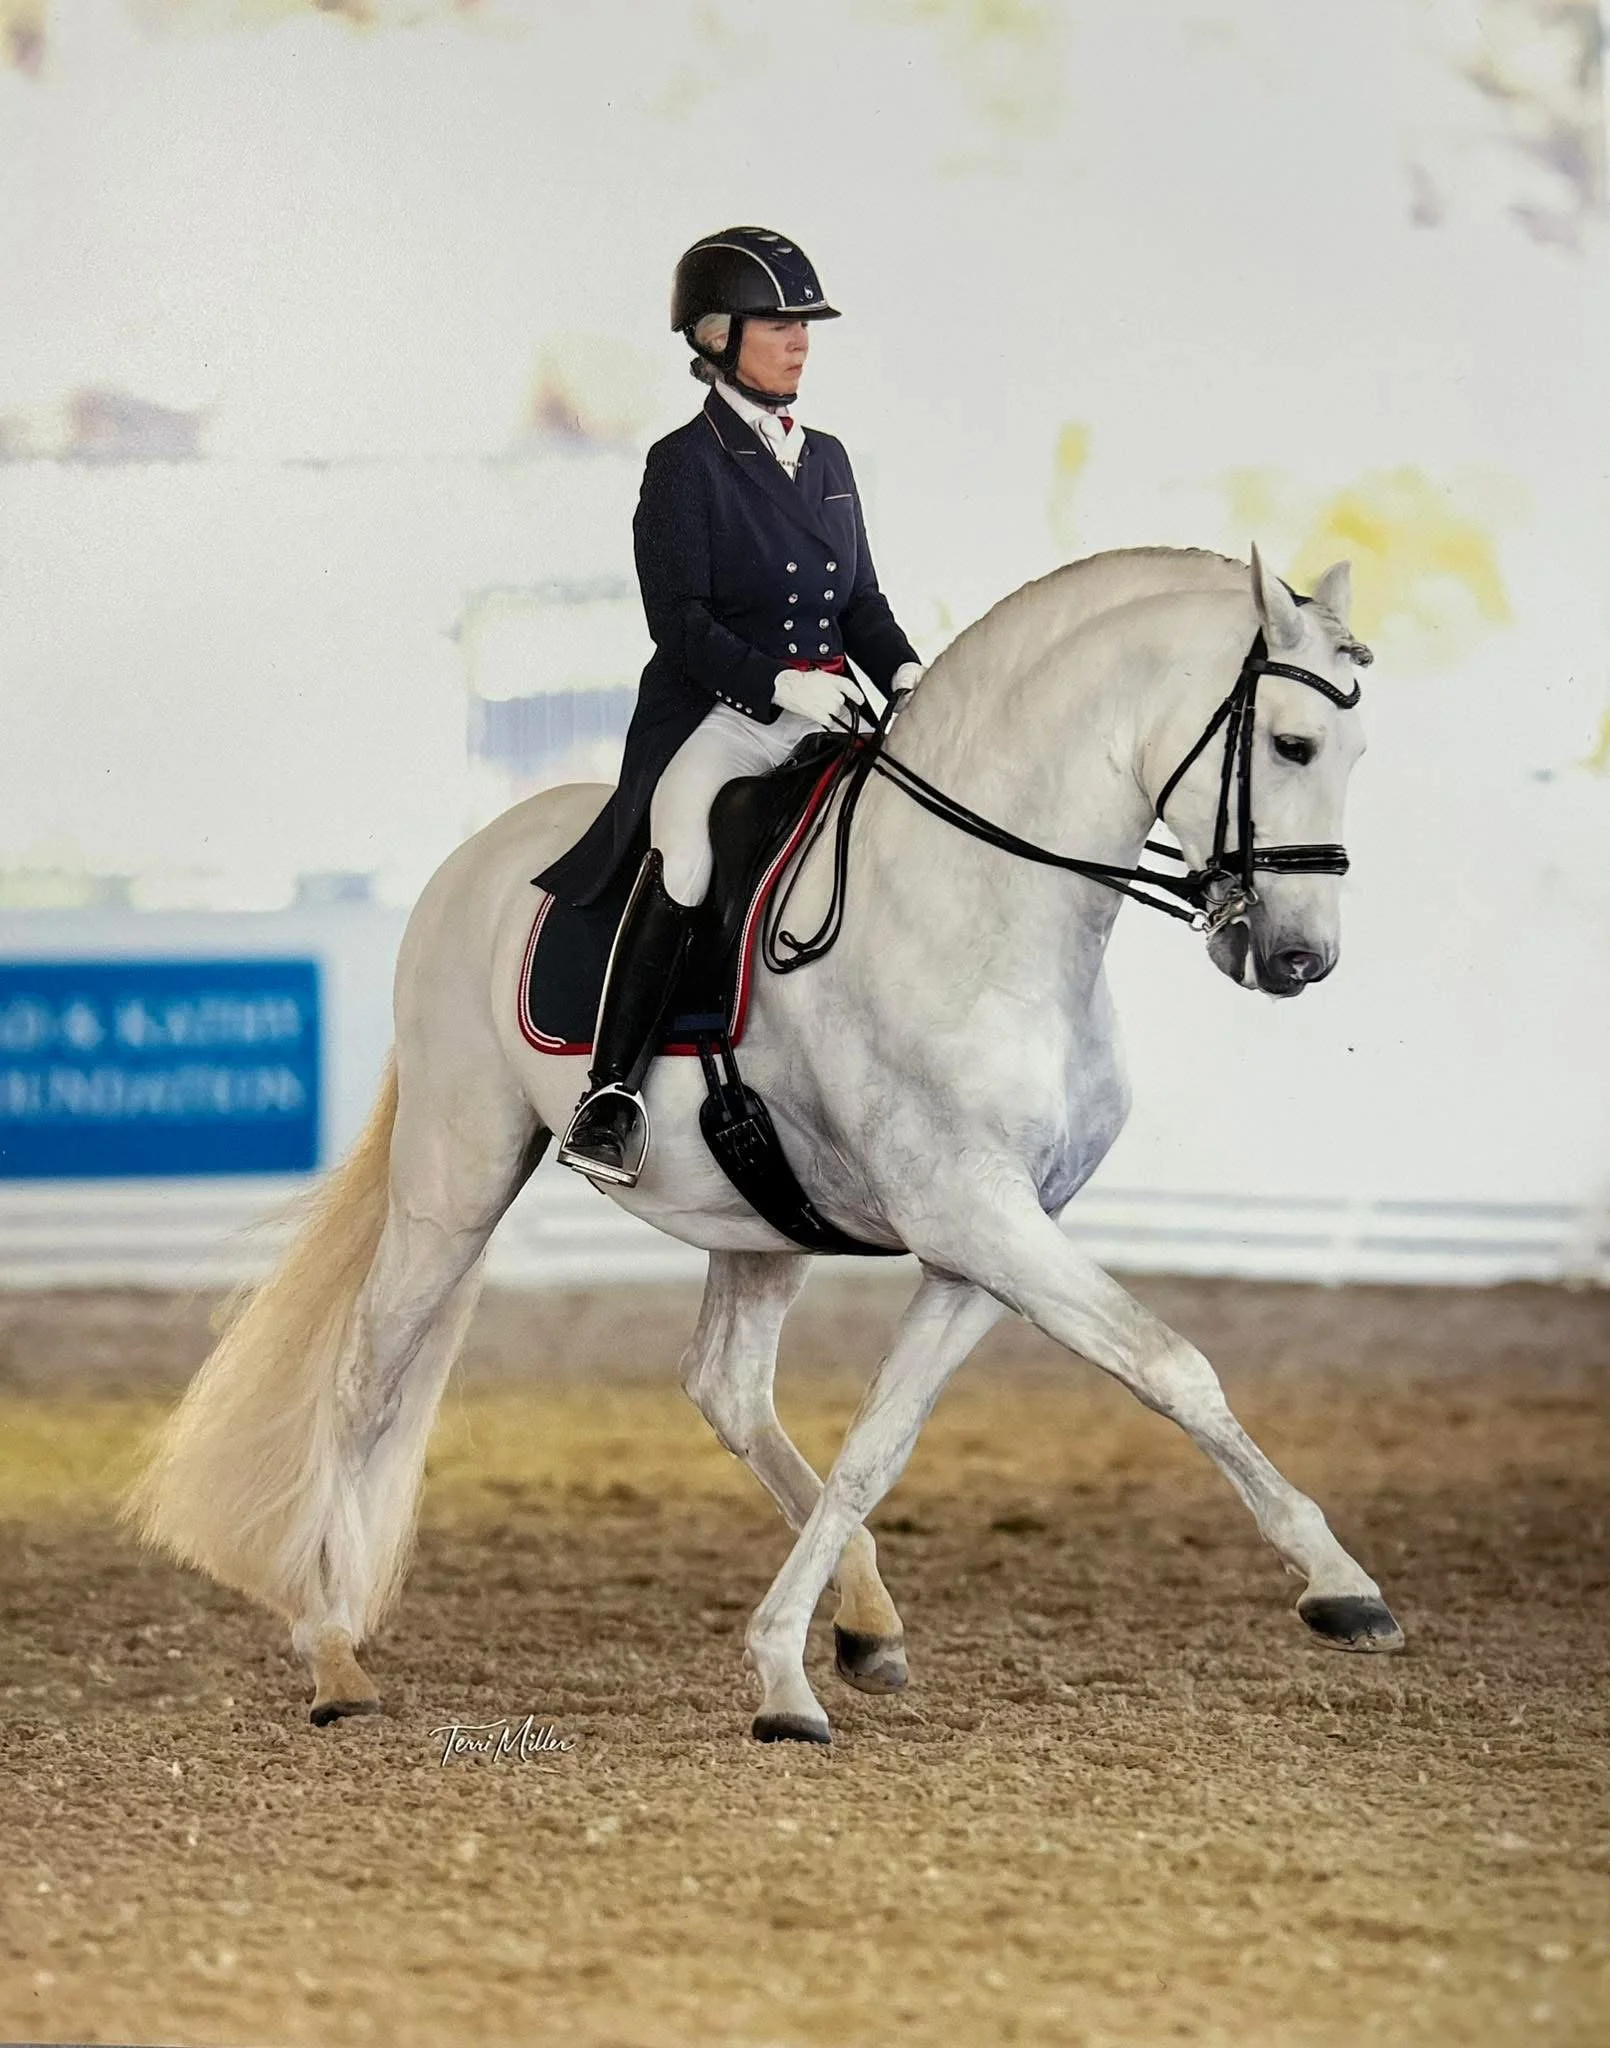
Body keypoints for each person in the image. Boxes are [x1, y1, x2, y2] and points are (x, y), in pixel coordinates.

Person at [536, 225, 924, 1187]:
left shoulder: (826, 457)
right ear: (716, 336)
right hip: (724, 714)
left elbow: (860, 603)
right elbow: (680, 619)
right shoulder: (684, 463)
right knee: (688, 850)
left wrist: (909, 675)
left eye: (805, 325)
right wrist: (780, 684)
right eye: (778, 323)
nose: (799, 341)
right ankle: (612, 1094)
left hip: (830, 705)